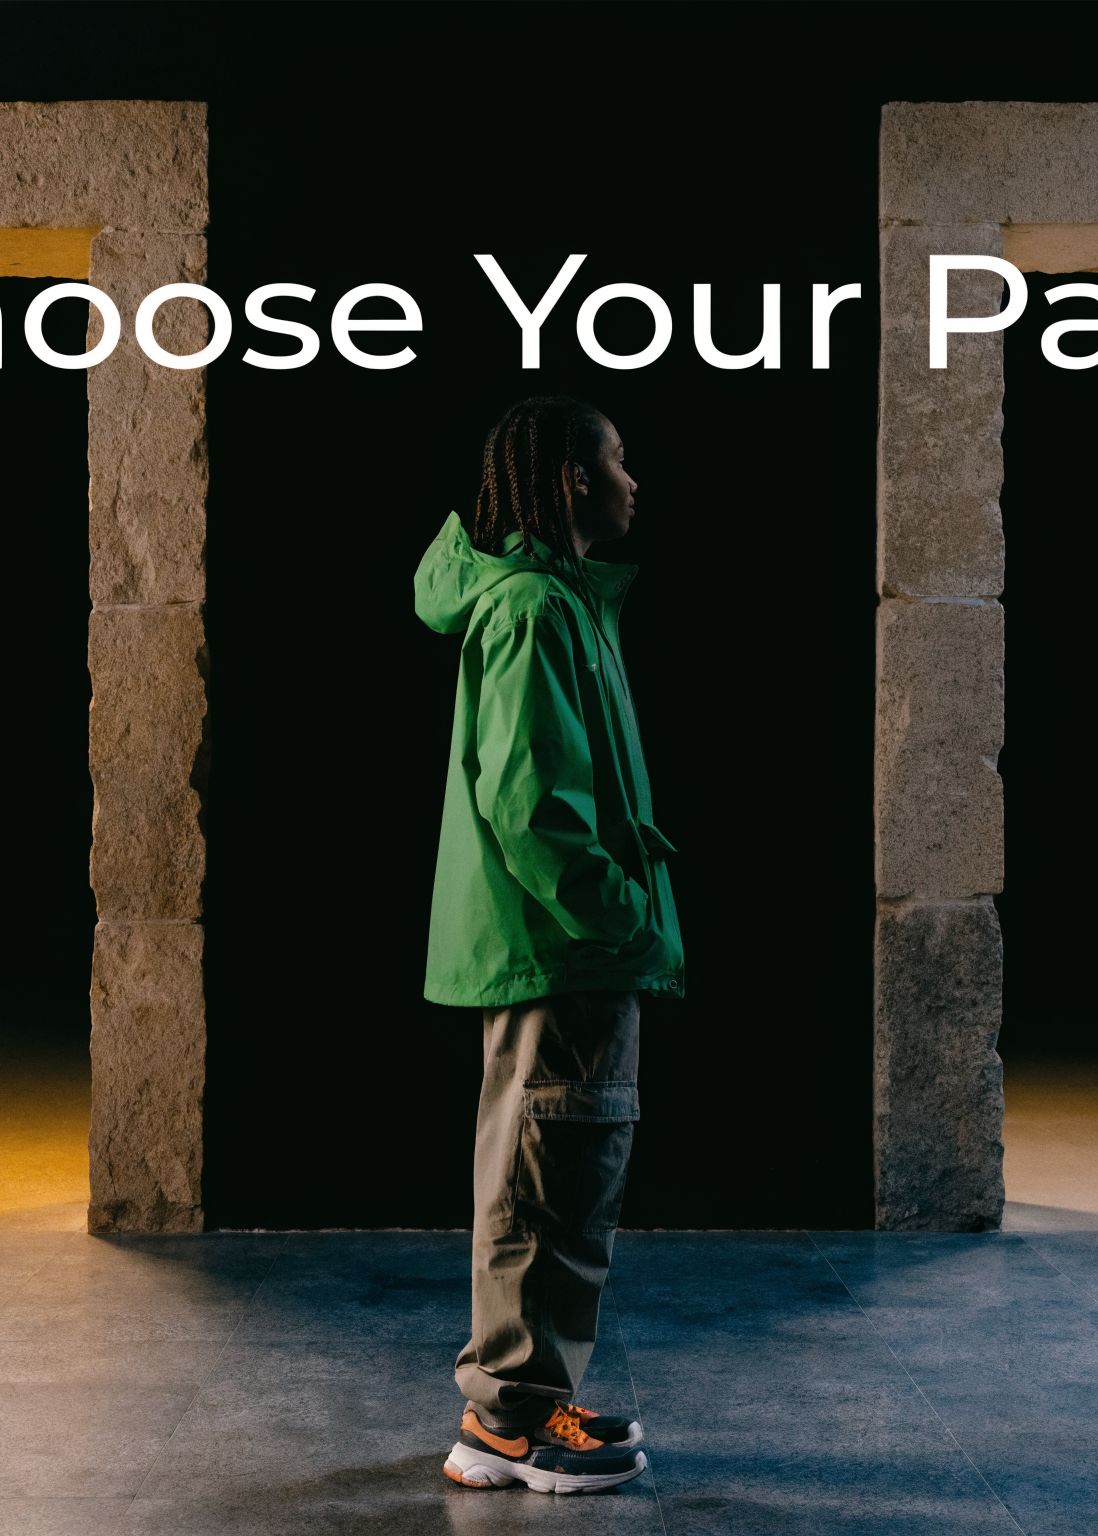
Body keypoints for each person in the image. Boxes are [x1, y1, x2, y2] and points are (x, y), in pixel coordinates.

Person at [413, 395, 682, 1495]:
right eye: (618, 460)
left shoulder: (558, 601)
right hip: (562, 947)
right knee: (545, 1173)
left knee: (559, 1172)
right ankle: (510, 1423)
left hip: (565, 948)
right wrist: (621, 916)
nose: (633, 480)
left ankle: (526, 1402)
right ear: (572, 478)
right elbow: (531, 807)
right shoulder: (532, 608)